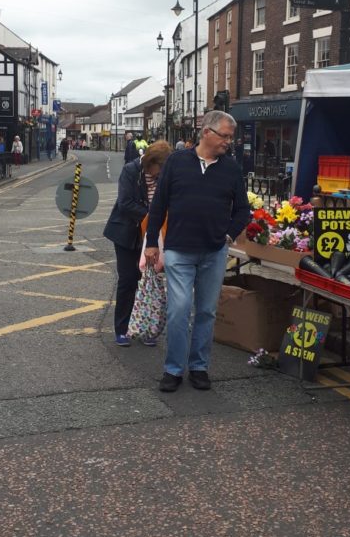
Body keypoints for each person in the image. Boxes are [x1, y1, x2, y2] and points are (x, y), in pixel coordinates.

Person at [144, 110, 250, 392]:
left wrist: (227, 235)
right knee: (179, 310)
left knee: (206, 312)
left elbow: (243, 210)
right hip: (179, 249)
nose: (229, 142)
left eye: (231, 137)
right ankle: (173, 369)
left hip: (214, 252)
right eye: (225, 136)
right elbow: (159, 204)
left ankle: (199, 367)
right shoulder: (177, 162)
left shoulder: (230, 168)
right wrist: (152, 241)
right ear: (207, 133)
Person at [104, 141, 172, 346]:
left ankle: (145, 328)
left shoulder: (165, 173)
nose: (160, 175)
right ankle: (122, 329)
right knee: (128, 279)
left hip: (152, 235)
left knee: (149, 281)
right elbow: (125, 203)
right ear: (149, 164)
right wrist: (154, 216)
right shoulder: (131, 170)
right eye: (158, 170)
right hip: (127, 233)